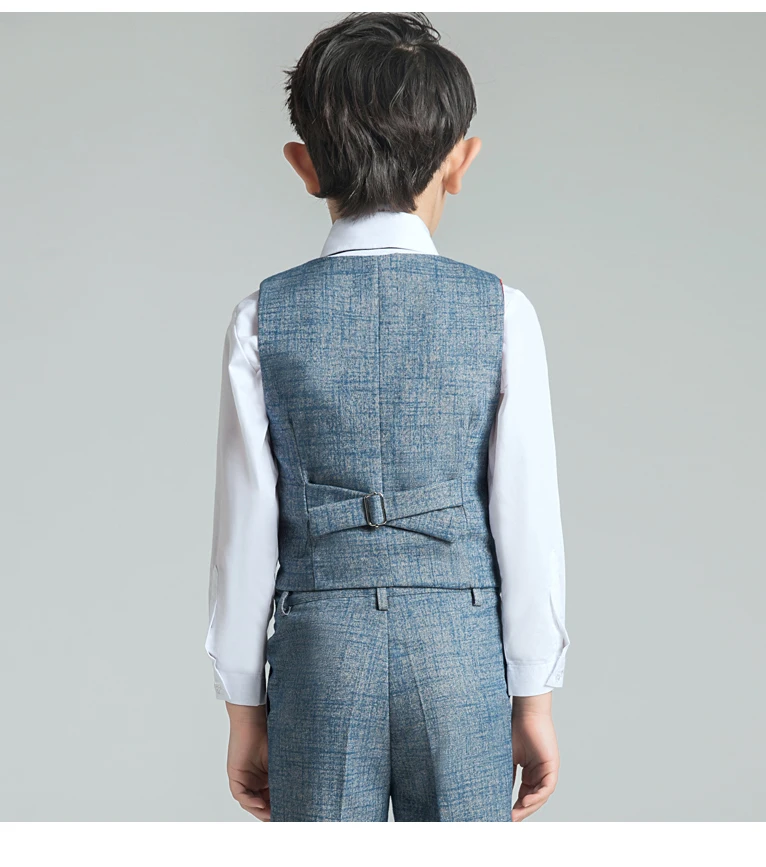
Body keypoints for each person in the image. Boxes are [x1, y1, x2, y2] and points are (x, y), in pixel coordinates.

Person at [205, 11, 570, 822]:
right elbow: (527, 520)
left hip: (319, 651)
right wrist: (534, 694)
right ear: (461, 160)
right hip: (459, 651)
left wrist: (243, 707)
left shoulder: (262, 317)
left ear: (304, 165)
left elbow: (244, 533)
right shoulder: (502, 312)